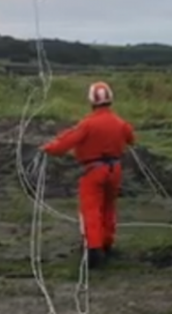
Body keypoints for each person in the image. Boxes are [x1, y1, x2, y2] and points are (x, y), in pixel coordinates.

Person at [40, 81, 135, 269]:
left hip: (94, 172)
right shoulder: (120, 123)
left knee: (91, 210)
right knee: (109, 208)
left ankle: (93, 250)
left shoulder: (88, 124)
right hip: (115, 170)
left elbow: (64, 144)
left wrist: (47, 148)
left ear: (91, 101)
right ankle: (107, 244)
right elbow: (131, 139)